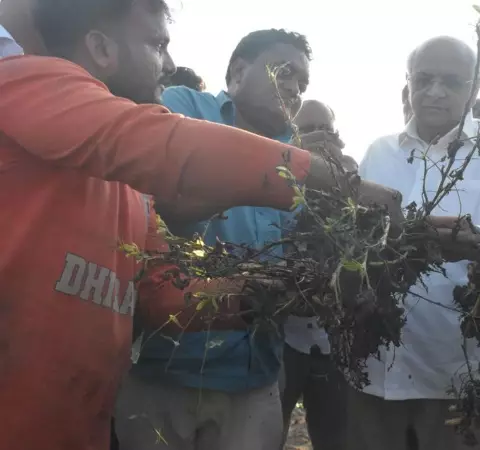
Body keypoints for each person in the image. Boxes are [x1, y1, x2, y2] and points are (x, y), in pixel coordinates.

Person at [0, 1, 401, 449]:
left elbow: (159, 290)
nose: (169, 65)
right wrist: (337, 183)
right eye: (157, 45)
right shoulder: (21, 82)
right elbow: (168, 144)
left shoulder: (133, 189)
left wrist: (265, 293)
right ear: (100, 47)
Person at [115, 29, 322, 450]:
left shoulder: (303, 162)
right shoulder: (181, 106)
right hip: (162, 372)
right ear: (237, 73)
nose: (294, 88)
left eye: (302, 83)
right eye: (284, 72)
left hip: (253, 381)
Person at [353, 36, 480, 450]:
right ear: (407, 84)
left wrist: (467, 235)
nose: (435, 91)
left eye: (452, 82)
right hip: (379, 366)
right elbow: (357, 236)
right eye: (424, 79)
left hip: (464, 369)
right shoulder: (380, 151)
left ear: (474, 89)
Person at [280, 99, 350, 450]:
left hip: (335, 343)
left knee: (336, 436)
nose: (318, 137)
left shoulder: (356, 184)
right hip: (281, 342)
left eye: (326, 129)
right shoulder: (273, 186)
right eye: (305, 131)